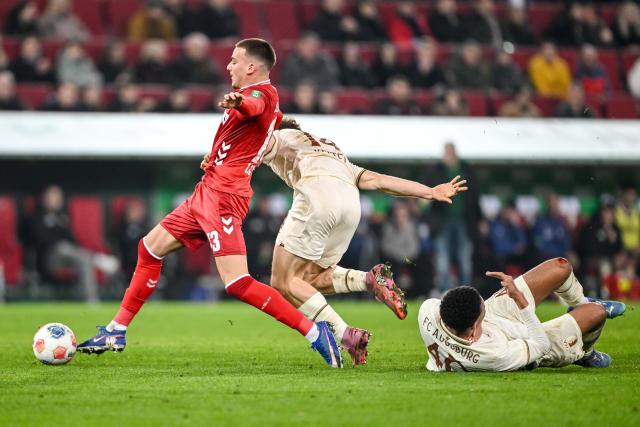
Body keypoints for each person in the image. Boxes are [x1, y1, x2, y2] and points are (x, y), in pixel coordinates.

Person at [77, 39, 343, 369]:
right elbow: (263, 125)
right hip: (208, 190)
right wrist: (222, 155)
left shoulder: (261, 94)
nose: (228, 66)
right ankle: (116, 331)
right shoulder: (265, 103)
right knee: (149, 248)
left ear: (251, 67)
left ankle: (315, 332)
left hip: (224, 198)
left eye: (234, 61)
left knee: (237, 282)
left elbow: (255, 106)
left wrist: (240, 103)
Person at [203, 116, 466, 364]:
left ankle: (344, 334)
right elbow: (378, 180)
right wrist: (429, 192)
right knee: (309, 278)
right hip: (351, 206)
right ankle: (368, 279)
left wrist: (215, 161)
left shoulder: (280, 137)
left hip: (317, 198)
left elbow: (252, 147)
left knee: (282, 282)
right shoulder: (331, 149)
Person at [418, 258, 626, 372]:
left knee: (561, 266)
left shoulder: (428, 311)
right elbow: (540, 344)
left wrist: (488, 311)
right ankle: (585, 353)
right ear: (472, 331)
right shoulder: (494, 355)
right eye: (482, 313)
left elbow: (459, 307)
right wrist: (520, 300)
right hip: (529, 344)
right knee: (596, 313)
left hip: (496, 320)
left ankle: (579, 303)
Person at [30, 185, 120, 303]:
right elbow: (41, 240)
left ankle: (91, 301)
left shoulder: (63, 218)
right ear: (44, 198)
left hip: (69, 258)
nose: (55, 200)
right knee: (63, 247)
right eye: (52, 196)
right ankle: (96, 259)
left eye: (57, 197)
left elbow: (72, 239)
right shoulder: (36, 217)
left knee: (83, 260)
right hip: (49, 259)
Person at [425, 142, 480, 294]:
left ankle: (466, 292)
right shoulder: (436, 170)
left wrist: (479, 219)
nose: (448, 154)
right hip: (442, 221)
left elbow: (475, 196)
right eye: (446, 152)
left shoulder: (466, 169)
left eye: (450, 151)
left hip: (464, 221)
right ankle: (444, 291)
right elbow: (428, 194)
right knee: (443, 257)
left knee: (464, 257)